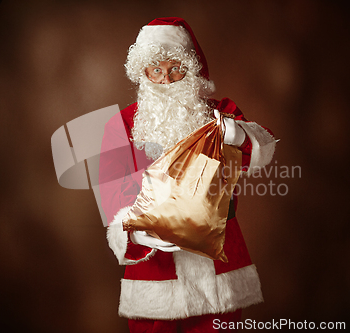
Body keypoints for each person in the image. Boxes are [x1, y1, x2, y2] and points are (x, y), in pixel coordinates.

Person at [99, 17, 276, 333]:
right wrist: (137, 233)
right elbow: (114, 203)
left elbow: (261, 151)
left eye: (175, 69)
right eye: (156, 71)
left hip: (218, 277)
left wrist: (238, 135)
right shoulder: (121, 126)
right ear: (143, 74)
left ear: (192, 70)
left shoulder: (219, 114)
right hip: (155, 279)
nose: (166, 81)